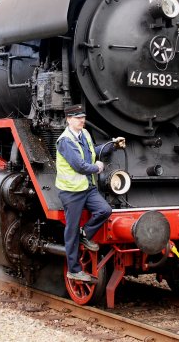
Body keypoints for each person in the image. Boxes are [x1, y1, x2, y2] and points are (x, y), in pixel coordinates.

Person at [56, 104, 125, 282]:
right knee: (71, 231)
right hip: (71, 191)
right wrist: (97, 167)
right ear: (69, 119)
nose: (82, 120)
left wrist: (112, 145)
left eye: (83, 117)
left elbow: (93, 151)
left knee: (105, 210)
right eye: (78, 118)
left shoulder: (85, 134)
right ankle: (74, 269)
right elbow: (78, 165)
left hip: (87, 188)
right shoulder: (65, 140)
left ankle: (85, 234)